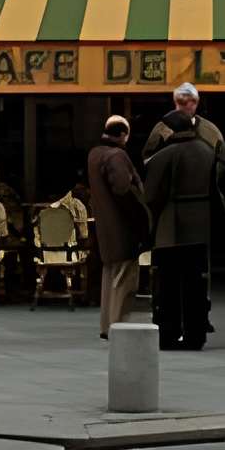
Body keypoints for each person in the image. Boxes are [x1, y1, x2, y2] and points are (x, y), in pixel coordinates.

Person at [144, 105, 224, 350]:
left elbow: (152, 195)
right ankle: (195, 334)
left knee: (167, 284)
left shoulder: (164, 156)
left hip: (171, 226)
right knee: (196, 284)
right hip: (200, 224)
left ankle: (168, 334)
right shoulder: (207, 152)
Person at [86, 113, 149, 340]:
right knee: (124, 280)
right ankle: (118, 326)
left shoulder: (94, 154)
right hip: (122, 227)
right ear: (123, 134)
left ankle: (106, 325)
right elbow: (123, 189)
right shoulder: (116, 156)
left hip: (104, 227)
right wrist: (141, 217)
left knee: (109, 276)